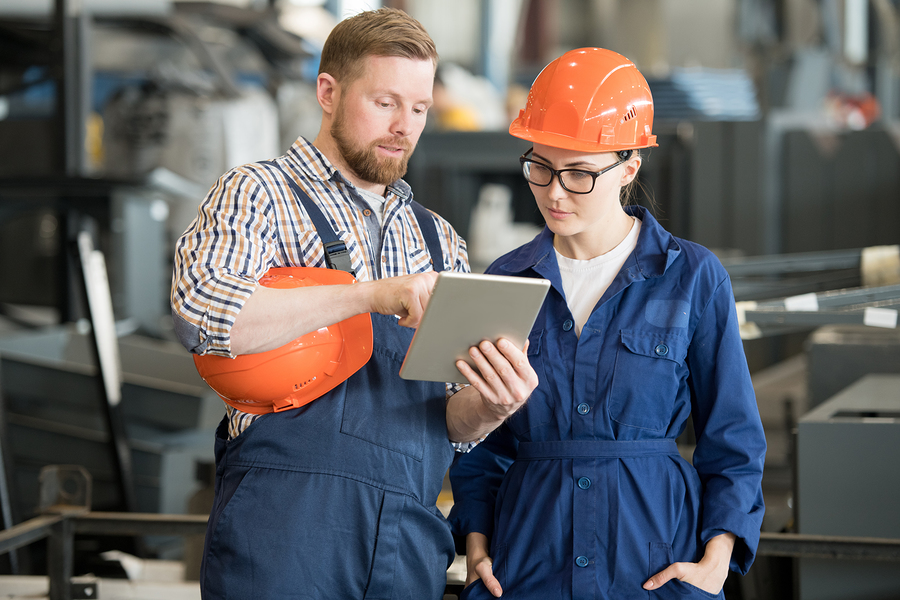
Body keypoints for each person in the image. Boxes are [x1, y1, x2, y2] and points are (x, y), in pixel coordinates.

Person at [170, 8, 537, 599]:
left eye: (419, 109)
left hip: (407, 539)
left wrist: (492, 405)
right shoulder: (260, 195)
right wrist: (369, 294)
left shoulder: (438, 240)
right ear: (328, 92)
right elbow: (204, 317)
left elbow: (447, 418)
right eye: (385, 103)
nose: (404, 127)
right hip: (287, 533)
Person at [447, 48, 767, 599]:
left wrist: (717, 558)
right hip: (528, 564)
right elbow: (482, 440)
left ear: (629, 168)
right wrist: (475, 538)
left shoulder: (691, 277)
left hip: (653, 562)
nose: (553, 191)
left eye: (578, 174)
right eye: (540, 166)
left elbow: (732, 435)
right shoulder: (508, 278)